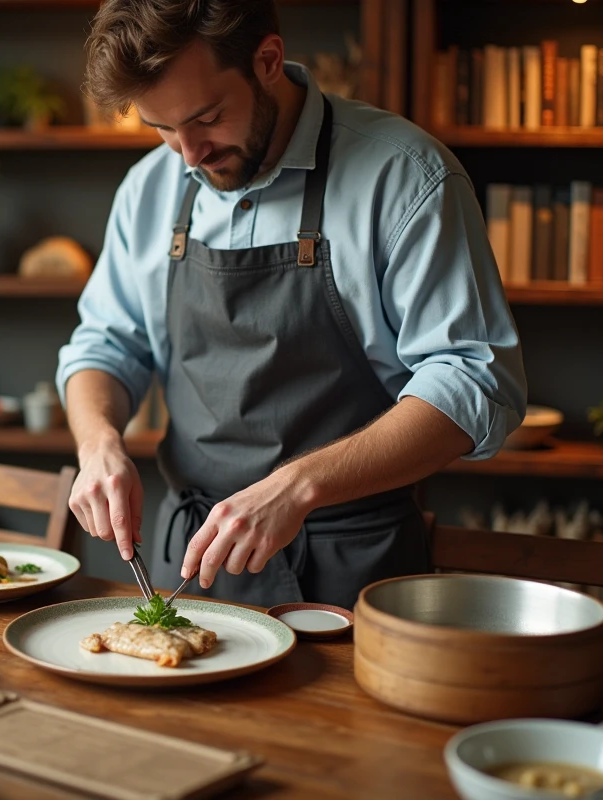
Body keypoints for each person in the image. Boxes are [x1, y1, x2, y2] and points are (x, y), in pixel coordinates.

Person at [55, 0, 527, 610]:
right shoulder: (151, 186)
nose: (188, 154)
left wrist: (299, 486)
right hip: (189, 566)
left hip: (352, 571)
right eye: (162, 129)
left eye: (207, 118)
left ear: (269, 60)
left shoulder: (405, 175)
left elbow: (475, 380)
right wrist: (97, 443)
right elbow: (105, 345)